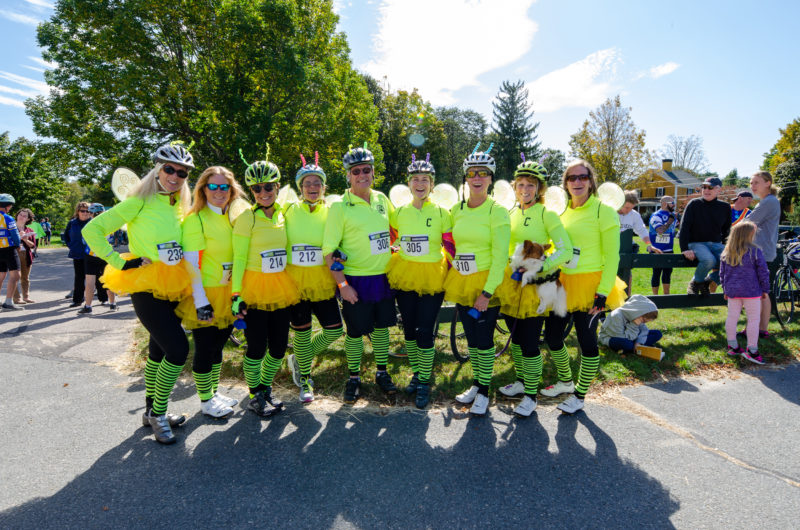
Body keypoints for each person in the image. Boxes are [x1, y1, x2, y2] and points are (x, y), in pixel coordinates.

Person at [83, 142, 195, 444]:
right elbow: (91, 230)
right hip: (146, 285)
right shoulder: (138, 202)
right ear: (157, 169)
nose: (175, 175)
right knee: (178, 350)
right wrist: (121, 261)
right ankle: (159, 413)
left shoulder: (181, 205)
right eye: (169, 169)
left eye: (181, 172)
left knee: (159, 351)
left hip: (175, 283)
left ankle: (149, 412)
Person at [543, 160, 627, 414]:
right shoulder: (562, 211)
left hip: (592, 285)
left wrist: (602, 293)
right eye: (571, 178)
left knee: (586, 342)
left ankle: (580, 395)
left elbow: (613, 257)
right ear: (565, 183)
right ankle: (566, 381)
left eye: (583, 177)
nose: (577, 182)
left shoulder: (604, 212)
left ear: (591, 181)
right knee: (552, 337)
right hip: (564, 282)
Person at [493, 158, 573, 417]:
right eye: (521, 185)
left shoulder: (547, 214)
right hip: (513, 283)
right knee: (515, 338)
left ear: (540, 189)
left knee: (529, 342)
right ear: (514, 187)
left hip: (536, 287)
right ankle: (520, 381)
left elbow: (565, 250)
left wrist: (541, 267)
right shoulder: (512, 213)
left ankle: (531, 394)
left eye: (531, 185)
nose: (525, 189)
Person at [322, 144, 398, 405]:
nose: (362, 175)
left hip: (383, 277)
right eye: (356, 171)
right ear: (348, 175)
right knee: (354, 332)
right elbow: (330, 252)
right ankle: (354, 377)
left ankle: (381, 372)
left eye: (366, 170)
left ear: (373, 172)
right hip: (355, 280)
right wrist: (342, 285)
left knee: (380, 329)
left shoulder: (381, 199)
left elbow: (399, 226)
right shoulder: (340, 207)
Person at [231, 153, 300, 418]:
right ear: (251, 191)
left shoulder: (284, 214)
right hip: (253, 287)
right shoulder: (247, 218)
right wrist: (236, 295)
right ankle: (254, 394)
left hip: (281, 286)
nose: (263, 192)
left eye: (268, 187)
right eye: (257, 188)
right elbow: (238, 258)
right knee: (257, 347)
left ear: (277, 187)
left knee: (279, 347)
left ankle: (266, 388)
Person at [446, 144, 510, 416]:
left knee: (484, 341)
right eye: (472, 172)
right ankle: (476, 384)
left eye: (483, 173)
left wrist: (486, 293)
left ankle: (485, 392)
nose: (477, 178)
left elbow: (500, 256)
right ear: (465, 177)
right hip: (462, 281)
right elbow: (449, 243)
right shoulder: (456, 209)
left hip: (487, 284)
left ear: (491, 178)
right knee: (471, 340)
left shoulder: (497, 211)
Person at [176, 166, 244, 418]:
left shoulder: (235, 217)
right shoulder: (196, 219)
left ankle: (213, 392)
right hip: (205, 293)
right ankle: (205, 401)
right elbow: (192, 265)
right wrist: (201, 301)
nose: (218, 191)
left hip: (230, 292)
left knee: (218, 347)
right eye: (212, 186)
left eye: (223, 186)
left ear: (231, 189)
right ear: (203, 189)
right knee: (205, 349)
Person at [387, 154, 453, 409]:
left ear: (432, 184)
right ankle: (417, 373)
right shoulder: (399, 213)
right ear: (409, 184)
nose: (420, 183)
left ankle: (424, 381)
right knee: (409, 331)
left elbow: (450, 246)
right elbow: (389, 240)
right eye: (415, 179)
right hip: (404, 275)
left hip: (432, 277)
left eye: (425, 179)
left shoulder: (441, 213)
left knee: (425, 331)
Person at [284, 153, 343, 404]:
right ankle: (306, 379)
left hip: (322, 278)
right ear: (300, 187)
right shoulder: (287, 210)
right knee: (302, 333)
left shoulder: (332, 211)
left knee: (334, 330)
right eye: (307, 183)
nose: (312, 188)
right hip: (294, 280)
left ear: (324, 187)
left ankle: (299, 357)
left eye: (317, 183)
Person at [720, 221, 769, 365]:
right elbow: (763, 272)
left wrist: (725, 289)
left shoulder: (726, 252)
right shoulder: (755, 251)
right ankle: (752, 350)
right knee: (753, 320)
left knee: (732, 317)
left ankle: (733, 346)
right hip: (752, 291)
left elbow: (722, 274)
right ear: (749, 235)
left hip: (733, 292)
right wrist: (765, 289)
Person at [678, 177, 731, 295]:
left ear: (718, 190)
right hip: (697, 243)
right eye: (704, 187)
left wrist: (728, 247)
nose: (706, 190)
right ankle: (696, 282)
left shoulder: (725, 207)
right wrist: (685, 249)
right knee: (709, 260)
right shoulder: (694, 204)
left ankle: (705, 281)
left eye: (710, 187)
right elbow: (684, 227)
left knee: (734, 261)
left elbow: (726, 231)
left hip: (716, 244)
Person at [745, 171, 781, 337]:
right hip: (762, 252)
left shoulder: (768, 202)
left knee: (758, 293)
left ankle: (759, 329)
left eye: (756, 182)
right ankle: (759, 329)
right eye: (751, 183)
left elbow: (748, 222)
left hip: (761, 253)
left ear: (768, 183)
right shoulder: (767, 201)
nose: (753, 186)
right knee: (760, 293)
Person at [76, 203, 115, 314]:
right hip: (106, 254)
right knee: (108, 279)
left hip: (91, 255)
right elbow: (111, 239)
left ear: (91, 213)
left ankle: (88, 306)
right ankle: (112, 304)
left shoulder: (89, 225)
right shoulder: (110, 225)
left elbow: (84, 241)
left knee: (90, 282)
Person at [63, 201, 92, 308]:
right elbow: (66, 236)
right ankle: (77, 300)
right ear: (78, 211)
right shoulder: (72, 223)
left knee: (93, 277)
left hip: (91, 254)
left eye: (87, 211)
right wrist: (71, 246)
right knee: (79, 277)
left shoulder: (93, 222)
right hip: (77, 254)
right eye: (82, 211)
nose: (85, 213)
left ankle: (103, 298)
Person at [648, 195, 678, 294]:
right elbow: (660, 231)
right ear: (665, 203)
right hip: (656, 250)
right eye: (672, 203)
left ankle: (666, 296)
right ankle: (656, 297)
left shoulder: (672, 215)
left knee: (667, 274)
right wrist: (670, 221)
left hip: (669, 250)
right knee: (656, 273)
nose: (674, 205)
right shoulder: (656, 215)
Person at [0, 193, 22, 310]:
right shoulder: (8, 218)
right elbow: (15, 234)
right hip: (8, 249)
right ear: (7, 206)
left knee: (1, 274)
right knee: (15, 275)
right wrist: (18, 245)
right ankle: (8, 302)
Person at [13, 208, 37, 305]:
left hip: (26, 255)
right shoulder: (11, 228)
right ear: (17, 215)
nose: (21, 217)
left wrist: (26, 239)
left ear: (28, 219)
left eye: (24, 216)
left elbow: (33, 245)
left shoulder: (29, 230)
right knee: (14, 277)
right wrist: (17, 237)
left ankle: (26, 297)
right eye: (20, 214)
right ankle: (16, 298)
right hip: (13, 253)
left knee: (25, 277)